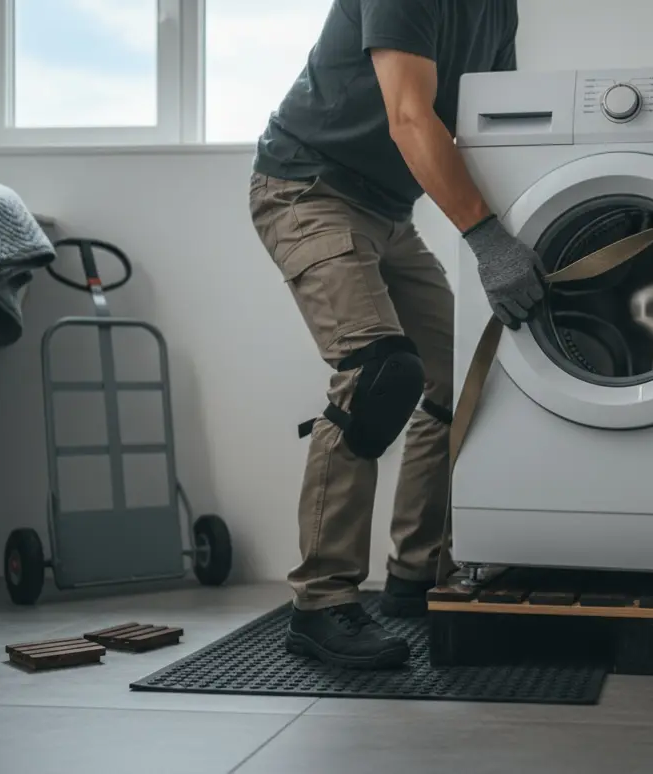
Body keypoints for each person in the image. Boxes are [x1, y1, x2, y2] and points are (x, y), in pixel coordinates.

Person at [247, 0, 543, 670]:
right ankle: (320, 602)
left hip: (387, 212)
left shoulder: (498, 9)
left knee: (464, 378)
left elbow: (496, 132)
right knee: (378, 373)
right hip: (306, 189)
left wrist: (532, 234)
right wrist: (490, 242)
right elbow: (410, 116)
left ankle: (415, 571)